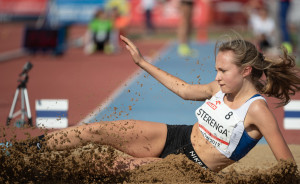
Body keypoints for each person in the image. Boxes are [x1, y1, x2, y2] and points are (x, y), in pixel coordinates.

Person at [3, 34, 300, 173]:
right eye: (216, 69)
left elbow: (287, 165)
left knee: (110, 166)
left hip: (189, 167)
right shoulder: (218, 87)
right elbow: (183, 90)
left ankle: (31, 173)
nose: (217, 77)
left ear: (246, 71)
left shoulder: (257, 109)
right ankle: (18, 154)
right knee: (95, 131)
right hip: (175, 135)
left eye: (223, 71)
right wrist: (142, 63)